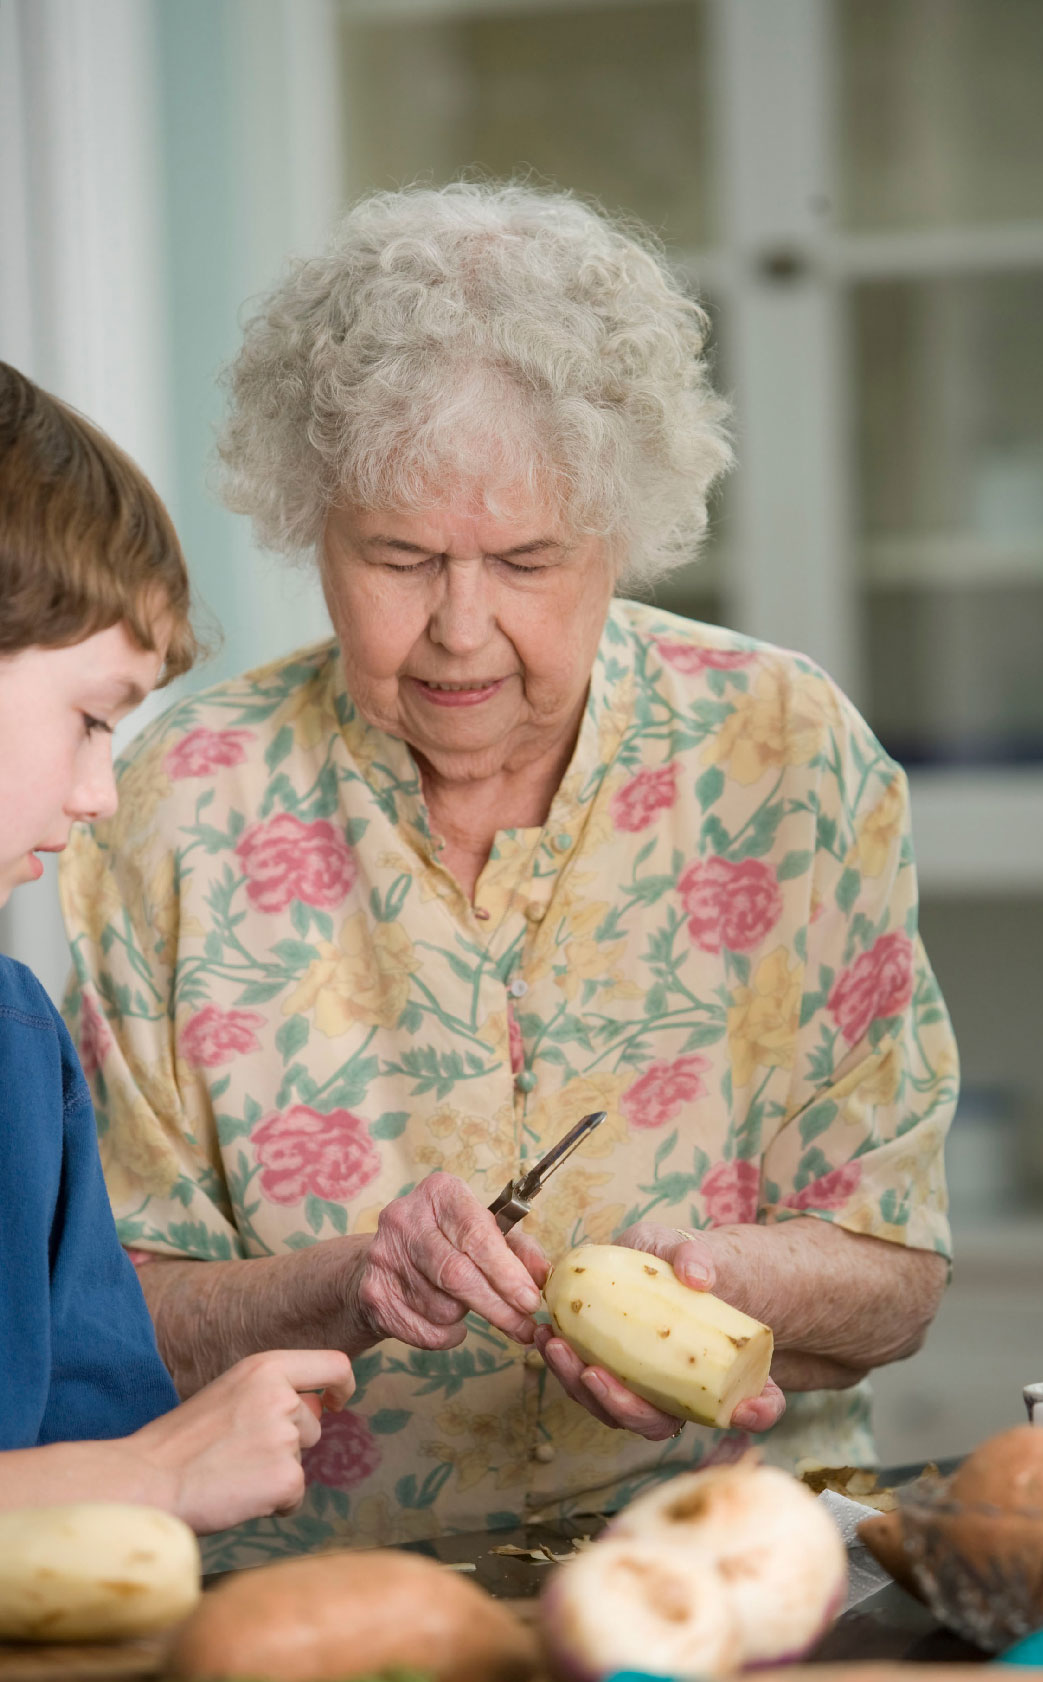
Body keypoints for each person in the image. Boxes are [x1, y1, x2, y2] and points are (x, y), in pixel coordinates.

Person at [59, 182, 958, 1569]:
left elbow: (896, 1274)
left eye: (528, 560)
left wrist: (727, 1283)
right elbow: (115, 1328)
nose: (462, 630)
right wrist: (350, 1278)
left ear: (625, 532)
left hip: (747, 1570)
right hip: (325, 1602)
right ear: (313, 529)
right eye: (400, 558)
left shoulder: (785, 751)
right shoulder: (171, 802)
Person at [0, 362, 353, 1533]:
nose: (102, 793)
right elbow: (117, 1478)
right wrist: (153, 1474)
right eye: (92, 718)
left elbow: (88, 1464)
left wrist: (159, 1460)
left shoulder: (17, 1048)